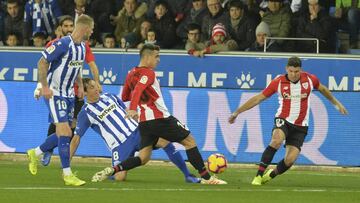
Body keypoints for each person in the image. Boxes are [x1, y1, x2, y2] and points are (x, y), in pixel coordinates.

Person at [91, 44, 227, 184]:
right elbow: (138, 89)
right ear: (148, 57)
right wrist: (132, 108)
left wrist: (137, 104)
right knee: (189, 141)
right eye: (156, 56)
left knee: (143, 158)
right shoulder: (148, 73)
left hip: (144, 122)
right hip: (159, 118)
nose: (159, 60)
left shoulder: (131, 74)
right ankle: (207, 178)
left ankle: (113, 170)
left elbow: (126, 95)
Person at [228, 56, 348, 186]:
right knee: (276, 140)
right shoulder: (278, 82)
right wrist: (237, 112)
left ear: (300, 70)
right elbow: (258, 98)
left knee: (290, 160)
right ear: (286, 69)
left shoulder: (309, 79)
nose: (294, 74)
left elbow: (323, 89)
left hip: (301, 125)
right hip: (283, 119)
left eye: (296, 71)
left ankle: (270, 175)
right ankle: (258, 176)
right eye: (291, 71)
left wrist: (337, 104)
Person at [69, 78, 200, 183]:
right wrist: (66, 163)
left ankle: (187, 175)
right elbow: (76, 138)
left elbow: (125, 110)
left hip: (136, 132)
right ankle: (110, 174)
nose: (96, 89)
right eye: (92, 87)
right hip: (119, 145)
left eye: (95, 85)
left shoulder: (111, 96)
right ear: (85, 93)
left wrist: (135, 116)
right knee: (120, 177)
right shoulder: (85, 113)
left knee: (164, 141)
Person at [27, 14, 95, 186]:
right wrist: (44, 86)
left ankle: (35, 153)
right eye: (91, 29)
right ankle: (67, 174)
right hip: (55, 93)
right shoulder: (62, 44)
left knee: (66, 133)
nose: (92, 32)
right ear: (85, 28)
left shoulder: (82, 47)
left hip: (69, 94)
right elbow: (42, 62)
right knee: (65, 132)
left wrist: (79, 84)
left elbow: (77, 67)